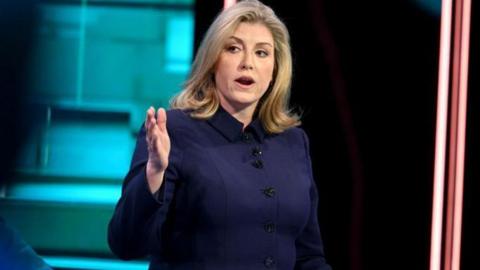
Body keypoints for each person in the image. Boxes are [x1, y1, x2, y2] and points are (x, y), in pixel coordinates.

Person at [108, 0, 332, 269]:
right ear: (213, 60)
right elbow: (125, 243)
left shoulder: (294, 142)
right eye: (233, 49)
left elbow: (308, 256)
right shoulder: (174, 131)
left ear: (275, 70)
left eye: (262, 53)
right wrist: (154, 173)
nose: (247, 63)